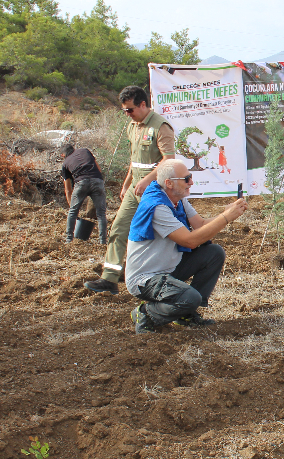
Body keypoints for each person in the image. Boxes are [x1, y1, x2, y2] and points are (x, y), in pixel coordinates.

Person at [125, 160, 248, 333]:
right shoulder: (158, 206)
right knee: (190, 298)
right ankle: (146, 313)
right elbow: (190, 241)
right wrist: (226, 217)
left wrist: (227, 213)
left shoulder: (176, 199)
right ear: (169, 183)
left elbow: (201, 224)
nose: (191, 182)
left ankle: (184, 315)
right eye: (186, 179)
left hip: (167, 268)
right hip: (146, 279)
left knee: (214, 253)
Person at [85, 86, 175, 295]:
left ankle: (158, 279)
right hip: (135, 188)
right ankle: (110, 278)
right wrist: (127, 184)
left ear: (143, 105)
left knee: (154, 237)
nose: (127, 114)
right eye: (124, 110)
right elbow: (135, 160)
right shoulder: (133, 127)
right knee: (118, 228)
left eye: (130, 110)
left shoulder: (161, 127)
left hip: (154, 190)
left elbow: (168, 160)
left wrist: (147, 181)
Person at [61, 144, 108, 245]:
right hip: (97, 181)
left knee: (72, 212)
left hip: (81, 183)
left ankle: (69, 239)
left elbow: (68, 189)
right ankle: (103, 241)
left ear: (62, 155)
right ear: (74, 149)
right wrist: (98, 183)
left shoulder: (65, 164)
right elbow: (98, 169)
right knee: (101, 213)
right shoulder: (85, 150)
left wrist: (71, 205)